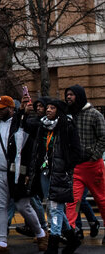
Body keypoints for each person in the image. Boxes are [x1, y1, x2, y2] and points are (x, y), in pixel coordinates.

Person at [0, 96, 47, 253]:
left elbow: (30, 128)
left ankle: (41, 234)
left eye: (1, 109)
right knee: (0, 206)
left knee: (23, 205)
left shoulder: (21, 124)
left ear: (10, 109)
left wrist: (24, 111)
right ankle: (2, 243)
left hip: (15, 173)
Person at [32, 98, 82, 254]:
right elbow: (38, 148)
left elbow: (76, 151)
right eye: (47, 108)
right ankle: (72, 240)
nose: (48, 110)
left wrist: (67, 167)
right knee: (55, 207)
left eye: (52, 108)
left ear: (58, 111)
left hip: (61, 173)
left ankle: (52, 246)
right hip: (45, 172)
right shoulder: (43, 126)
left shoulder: (67, 126)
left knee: (55, 208)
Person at [64, 84, 105, 231]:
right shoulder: (68, 116)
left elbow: (103, 137)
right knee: (73, 201)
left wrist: (94, 156)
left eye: (72, 94)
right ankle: (71, 229)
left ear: (79, 96)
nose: (68, 97)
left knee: (101, 200)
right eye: (67, 94)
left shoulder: (95, 114)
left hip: (93, 166)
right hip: (76, 166)